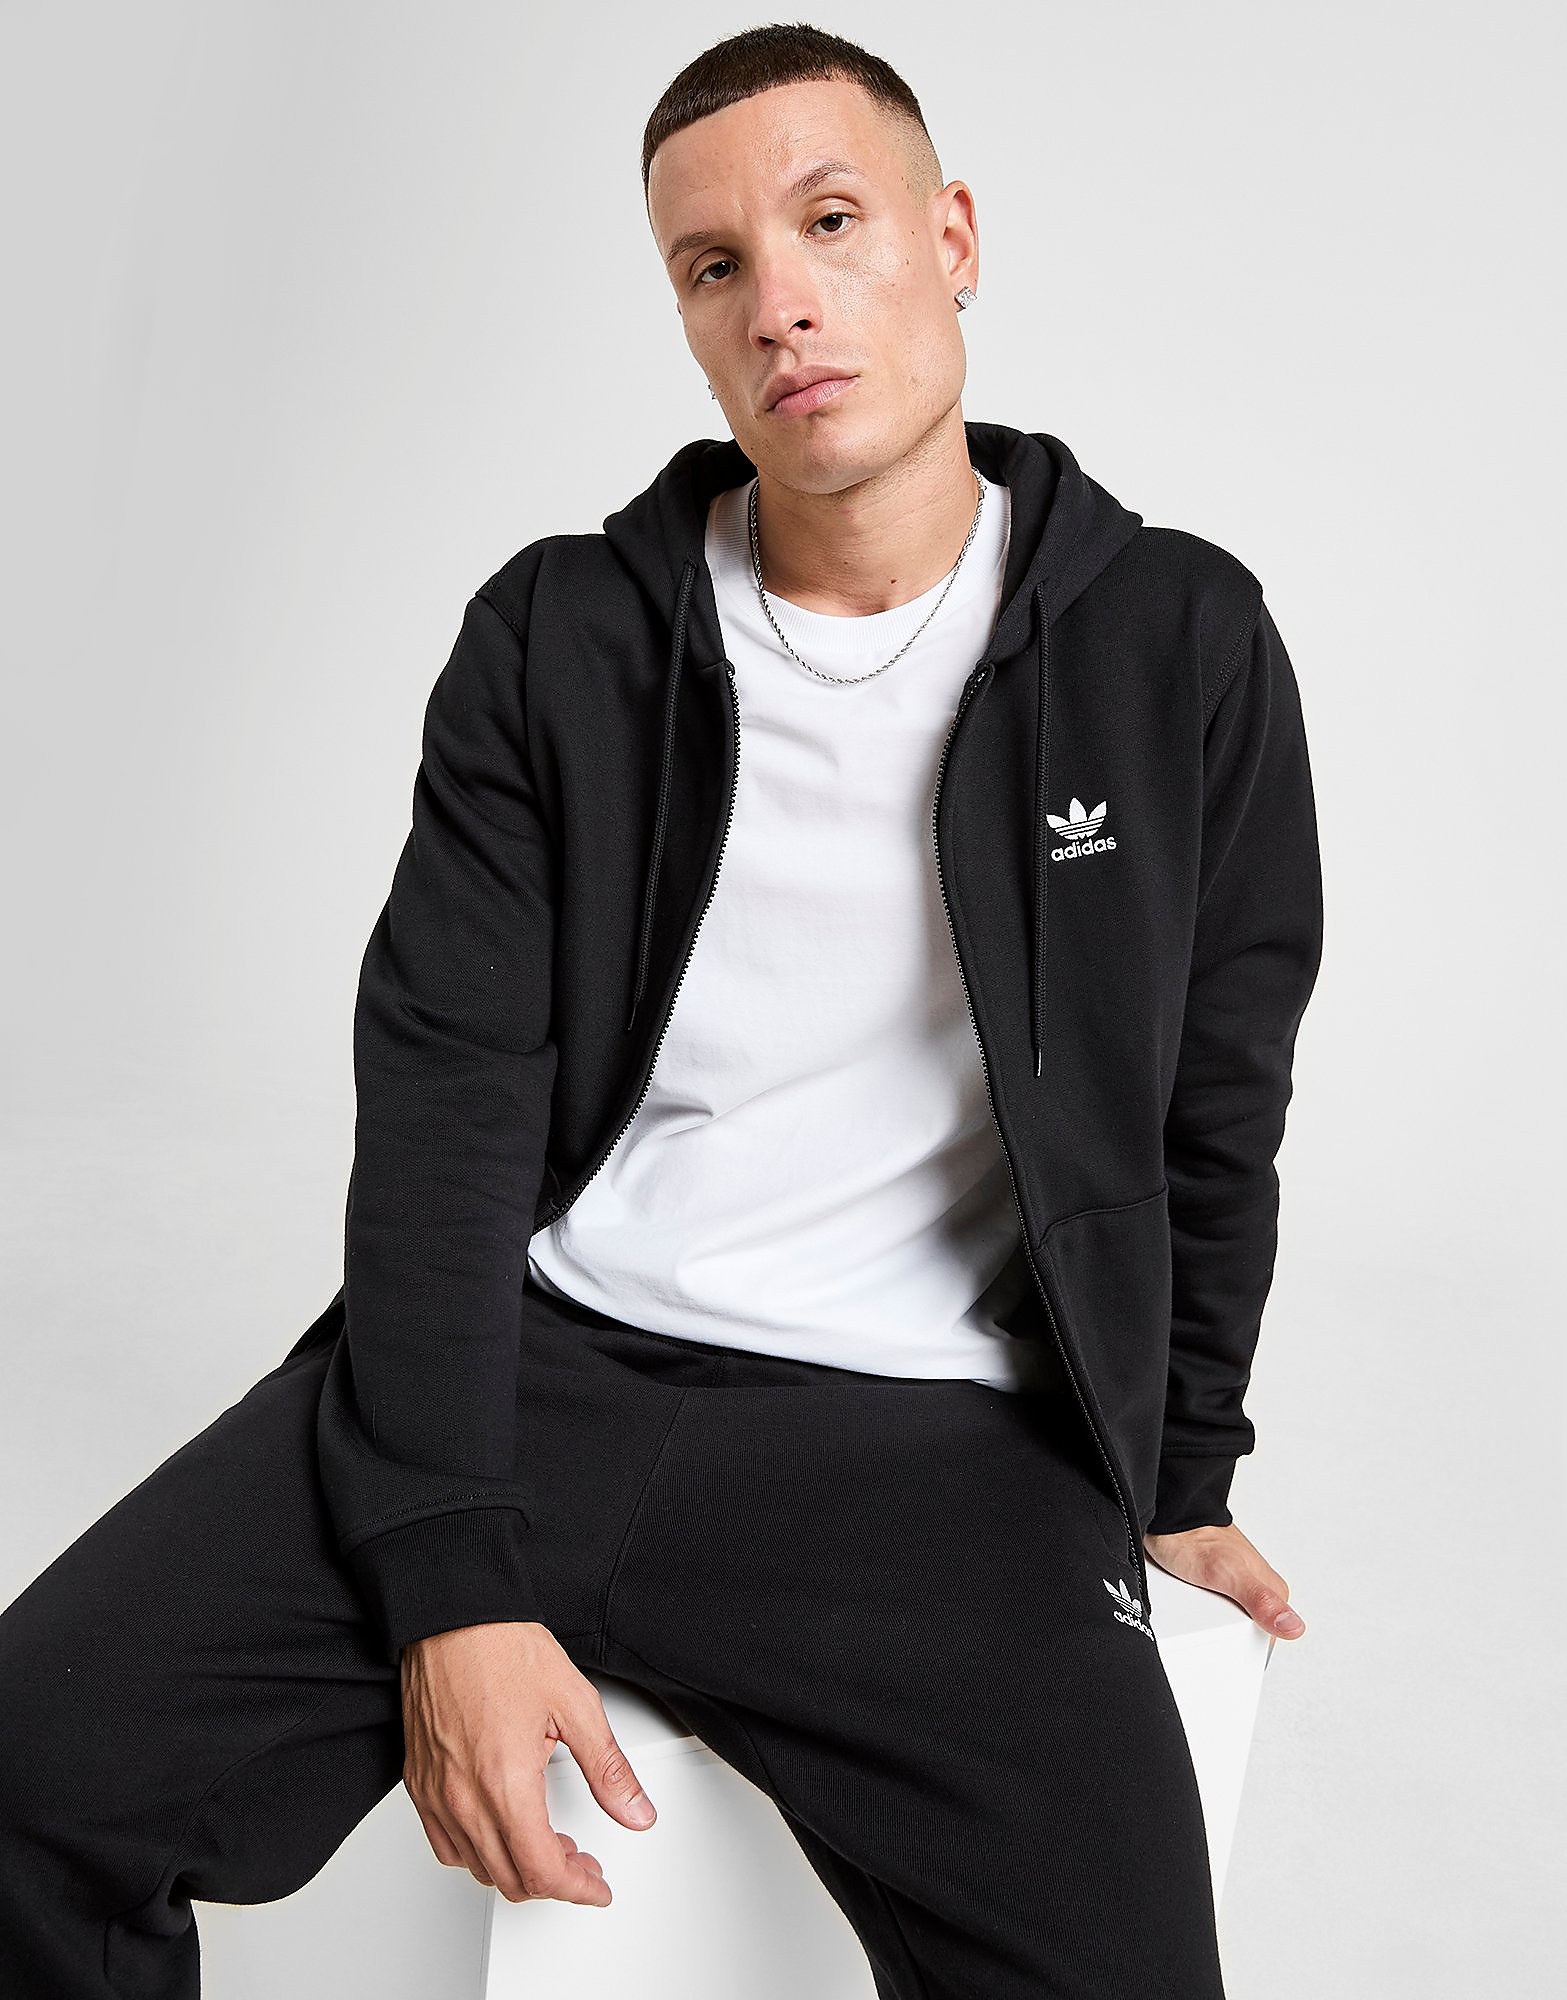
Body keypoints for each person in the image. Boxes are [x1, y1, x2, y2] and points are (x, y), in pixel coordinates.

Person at [0, 21, 1324, 1999]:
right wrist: (451, 1568)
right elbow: (444, 1108)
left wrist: (1186, 1470)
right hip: (539, 1369)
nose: (778, 298)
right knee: (29, 1774)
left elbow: (1220, 1094)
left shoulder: (1175, 638)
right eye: (713, 265)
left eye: (830, 221)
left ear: (951, 238)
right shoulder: (565, 637)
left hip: (935, 1451)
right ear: (689, 319)